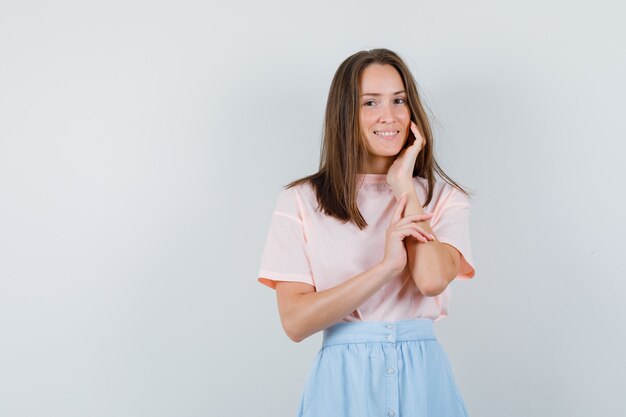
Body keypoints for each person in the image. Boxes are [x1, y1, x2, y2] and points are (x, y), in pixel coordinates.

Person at [256, 48, 476, 417]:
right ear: (345, 115)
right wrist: (387, 268)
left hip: (423, 379)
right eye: (370, 103)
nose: (388, 116)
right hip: (343, 383)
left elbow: (432, 280)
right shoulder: (301, 201)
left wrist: (404, 187)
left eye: (399, 100)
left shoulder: (443, 198)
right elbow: (295, 323)